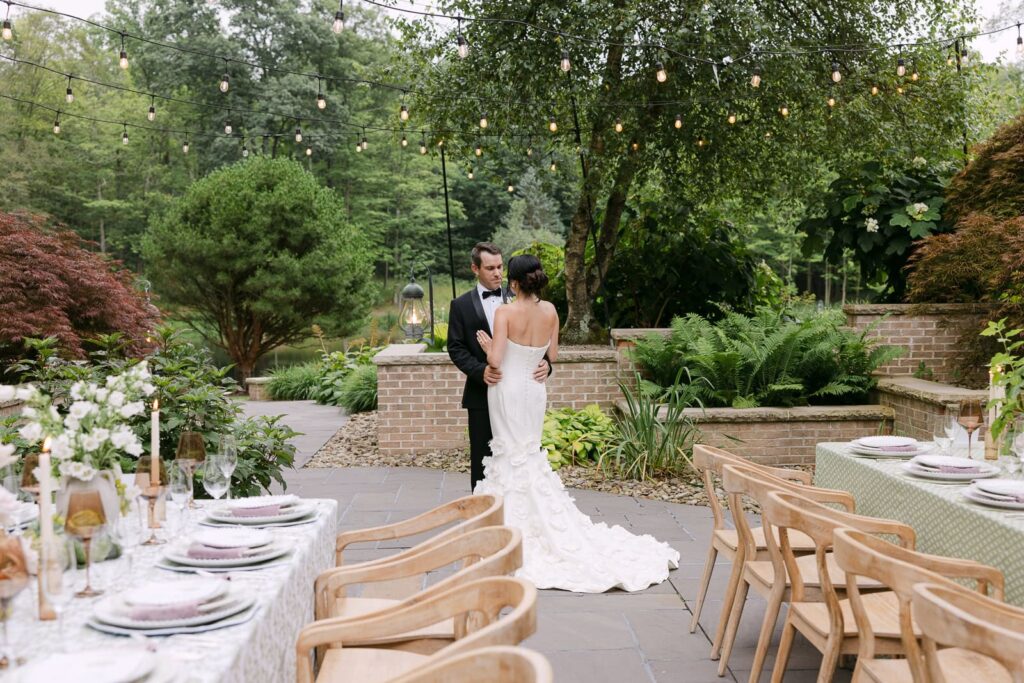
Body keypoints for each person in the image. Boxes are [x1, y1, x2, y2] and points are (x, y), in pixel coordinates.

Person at [474, 254, 680, 593]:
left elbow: (496, 360)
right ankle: (535, 524)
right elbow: (551, 356)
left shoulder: (505, 312)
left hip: (507, 389)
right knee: (527, 452)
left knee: (509, 454)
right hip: (535, 389)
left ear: (513, 282)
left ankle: (510, 531)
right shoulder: (552, 311)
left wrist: (486, 347)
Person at [448, 243, 551, 491]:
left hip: (520, 399)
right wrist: (479, 371)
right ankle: (484, 518)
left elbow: (540, 344)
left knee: (519, 459)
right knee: (484, 462)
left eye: (500, 267)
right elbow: (456, 348)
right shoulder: (460, 305)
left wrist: (547, 365)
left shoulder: (523, 297)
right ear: (475, 268)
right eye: (490, 268)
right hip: (481, 395)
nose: (498, 273)